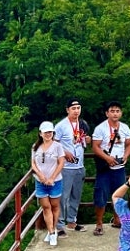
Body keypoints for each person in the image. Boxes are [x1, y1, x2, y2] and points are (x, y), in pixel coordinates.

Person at [92, 100, 130, 236]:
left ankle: (118, 220)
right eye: (112, 111)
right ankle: (99, 223)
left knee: (120, 195)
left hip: (120, 167)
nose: (115, 114)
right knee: (101, 195)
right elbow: (95, 147)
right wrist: (107, 158)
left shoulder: (125, 128)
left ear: (121, 113)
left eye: (117, 111)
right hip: (105, 167)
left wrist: (126, 156)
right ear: (107, 113)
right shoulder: (100, 128)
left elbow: (129, 144)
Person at [55, 98, 91, 233]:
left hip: (79, 165)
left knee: (76, 195)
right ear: (67, 110)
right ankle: (59, 225)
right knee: (63, 196)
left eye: (78, 108)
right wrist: (64, 152)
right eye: (73, 109)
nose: (76, 111)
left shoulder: (82, 124)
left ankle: (72, 221)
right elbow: (53, 144)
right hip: (66, 167)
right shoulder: (61, 126)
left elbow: (84, 141)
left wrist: (88, 139)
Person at [31, 121, 66, 247]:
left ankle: (52, 229)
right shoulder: (35, 146)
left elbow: (61, 163)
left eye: (50, 132)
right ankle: (51, 232)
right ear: (40, 133)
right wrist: (40, 176)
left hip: (55, 181)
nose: (48, 134)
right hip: (41, 181)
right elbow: (33, 164)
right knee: (46, 206)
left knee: (55, 206)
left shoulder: (57, 146)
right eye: (46, 132)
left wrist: (52, 177)